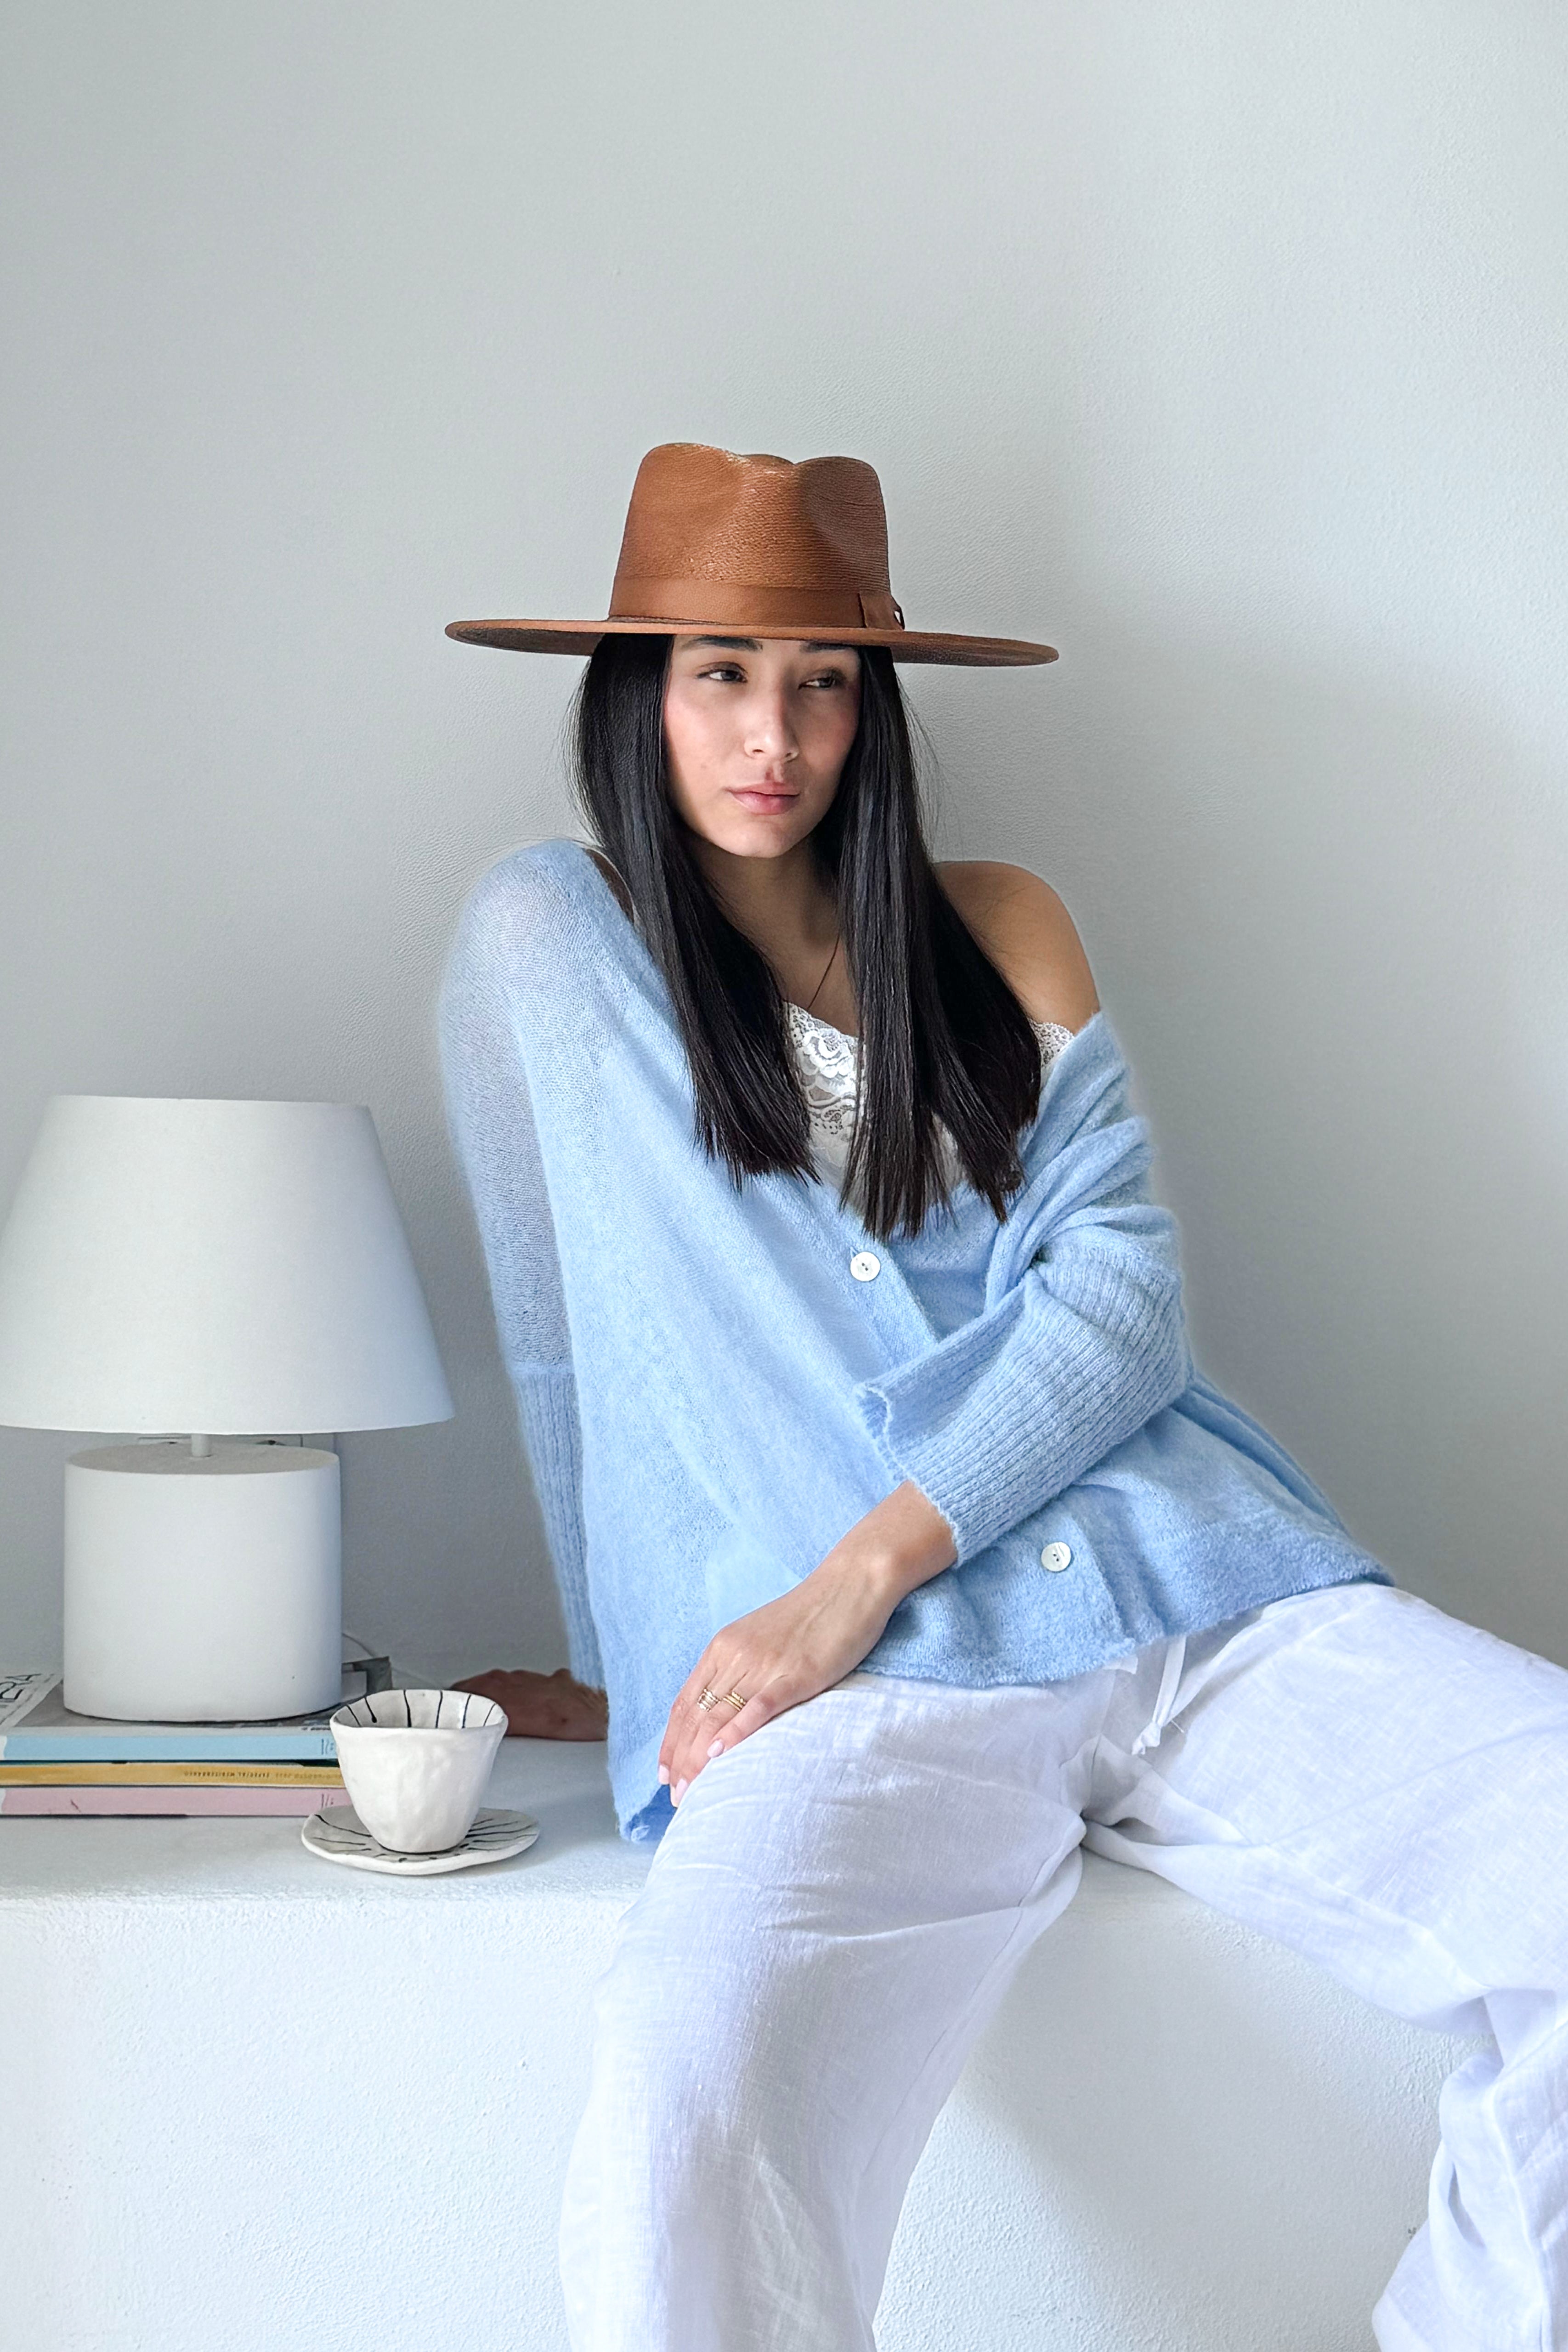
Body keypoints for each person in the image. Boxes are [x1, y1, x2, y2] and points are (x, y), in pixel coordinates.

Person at [439, 442, 1568, 2352]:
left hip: (1186, 1586)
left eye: (823, 681)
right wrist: (637, 1662)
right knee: (679, 2116)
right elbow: (582, 1342)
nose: (773, 733)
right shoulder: (555, 943)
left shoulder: (997, 921)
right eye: (719, 671)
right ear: (634, 690)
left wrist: (856, 1569)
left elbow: (1119, 1309)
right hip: (869, 1701)